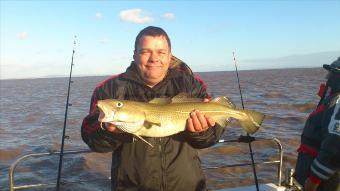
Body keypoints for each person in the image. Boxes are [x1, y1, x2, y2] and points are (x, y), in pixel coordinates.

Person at [81, 26, 225, 191]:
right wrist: (108, 131)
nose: (154, 58)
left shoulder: (192, 84)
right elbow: (92, 139)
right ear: (135, 55)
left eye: (161, 52)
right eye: (145, 52)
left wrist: (200, 132)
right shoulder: (109, 90)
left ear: (170, 56)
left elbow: (211, 137)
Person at [294, 57, 340, 191]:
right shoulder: (331, 100)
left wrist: (313, 180)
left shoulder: (337, 103)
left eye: (333, 73)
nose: (328, 77)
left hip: (321, 182)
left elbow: (335, 145)